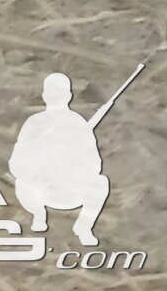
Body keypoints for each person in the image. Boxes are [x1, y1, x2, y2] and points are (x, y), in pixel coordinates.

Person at [10, 73, 111, 247]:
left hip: (71, 190)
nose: (56, 96)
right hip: (41, 190)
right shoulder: (35, 123)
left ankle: (84, 226)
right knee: (22, 184)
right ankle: (39, 215)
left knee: (100, 183)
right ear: (44, 96)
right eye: (52, 92)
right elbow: (17, 161)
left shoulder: (78, 124)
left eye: (60, 92)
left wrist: (74, 169)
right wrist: (38, 172)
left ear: (69, 96)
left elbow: (94, 163)